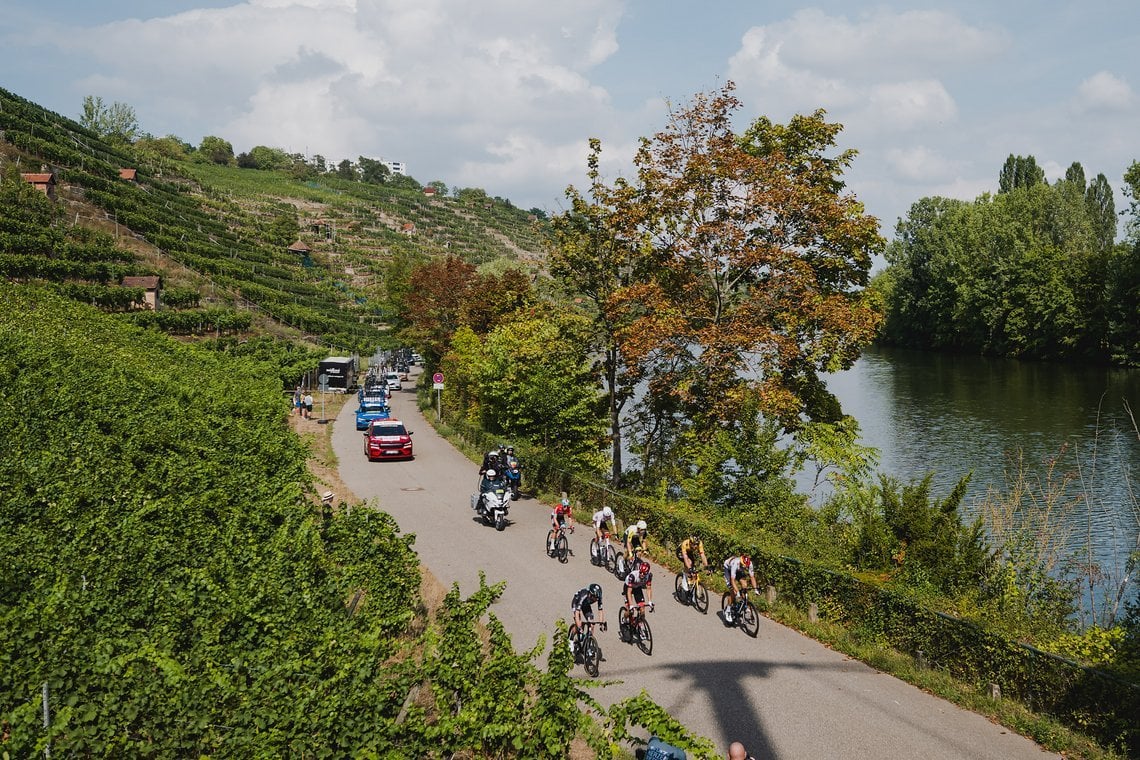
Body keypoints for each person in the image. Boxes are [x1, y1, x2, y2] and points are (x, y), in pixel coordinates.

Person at [569, 583, 606, 652]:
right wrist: (579, 627)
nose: (596, 600)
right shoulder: (584, 595)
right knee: (579, 623)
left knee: (592, 624)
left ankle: (587, 644)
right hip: (576, 603)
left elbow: (600, 610)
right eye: (594, 598)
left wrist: (601, 623)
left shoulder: (598, 597)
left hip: (586, 605)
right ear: (590, 594)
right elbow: (577, 613)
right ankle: (570, 639)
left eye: (597, 598)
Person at [722, 554, 756, 623]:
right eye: (743, 565)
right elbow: (732, 580)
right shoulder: (736, 562)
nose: (744, 566)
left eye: (745, 566)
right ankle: (728, 610)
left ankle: (744, 604)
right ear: (741, 562)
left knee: (744, 586)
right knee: (733, 591)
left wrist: (756, 589)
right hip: (728, 569)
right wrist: (737, 592)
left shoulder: (750, 563)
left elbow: (752, 577)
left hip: (738, 570)